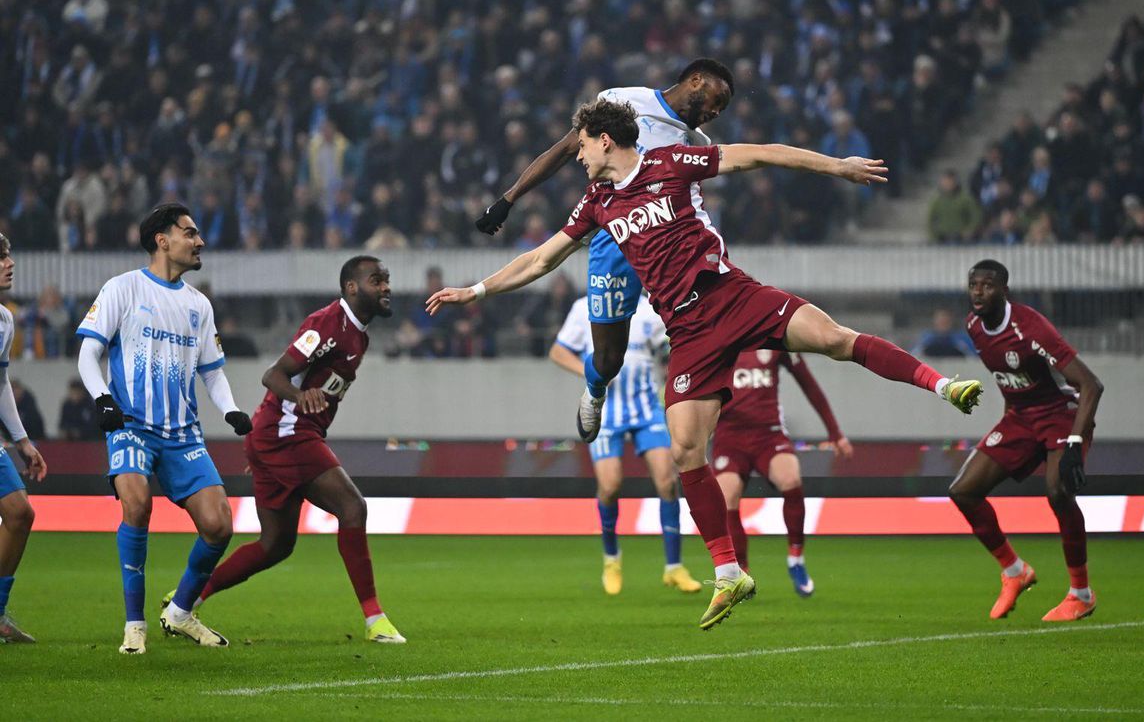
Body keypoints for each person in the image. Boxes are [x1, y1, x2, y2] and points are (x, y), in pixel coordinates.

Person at [429, 99, 982, 629]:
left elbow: (760, 152)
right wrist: (476, 291)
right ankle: (728, 573)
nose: (576, 156)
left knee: (835, 338)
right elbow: (541, 258)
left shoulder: (671, 163)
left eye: (581, 147)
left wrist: (836, 166)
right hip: (688, 333)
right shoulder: (596, 202)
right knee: (686, 451)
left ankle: (942, 386)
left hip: (733, 297)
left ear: (604, 140)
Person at [475, 59, 735, 439]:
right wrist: (509, 199)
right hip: (612, 239)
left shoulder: (697, 144)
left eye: (722, 109)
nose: (715, 112)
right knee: (609, 358)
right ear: (695, 81)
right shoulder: (623, 100)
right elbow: (566, 149)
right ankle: (596, 390)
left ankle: (698, 404)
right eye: (717, 100)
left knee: (704, 316)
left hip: (664, 242)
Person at [192, 256, 406, 644]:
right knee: (353, 508)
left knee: (275, 545)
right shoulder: (327, 323)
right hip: (290, 434)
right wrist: (295, 399)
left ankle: (187, 599)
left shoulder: (359, 334)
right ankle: (375, 620)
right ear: (351, 287)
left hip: (278, 437)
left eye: (387, 280)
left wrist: (260, 445)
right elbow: (273, 375)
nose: (386, 287)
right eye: (377, 280)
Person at [75, 204, 252, 655]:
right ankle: (135, 625)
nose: (200, 241)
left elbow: (211, 371)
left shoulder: (199, 305)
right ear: (162, 239)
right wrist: (104, 401)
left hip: (182, 434)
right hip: (130, 423)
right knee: (136, 503)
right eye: (190, 233)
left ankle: (179, 612)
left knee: (219, 526)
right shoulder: (123, 288)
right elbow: (87, 353)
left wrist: (230, 409)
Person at [950, 259, 1103, 622]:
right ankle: (1015, 571)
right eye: (974, 285)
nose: (978, 292)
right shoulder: (973, 326)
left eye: (987, 285)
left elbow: (1091, 385)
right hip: (1019, 419)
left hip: (1059, 414)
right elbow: (1009, 379)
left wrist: (1075, 444)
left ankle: (1081, 593)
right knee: (963, 491)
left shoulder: (1030, 327)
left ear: (1004, 290)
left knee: (1057, 493)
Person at [549, 292, 701, 596]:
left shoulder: (650, 309)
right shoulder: (584, 308)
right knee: (610, 486)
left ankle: (674, 567)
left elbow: (671, 349)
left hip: (647, 409)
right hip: (607, 411)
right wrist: (592, 373)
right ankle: (611, 560)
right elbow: (558, 351)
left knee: (668, 482)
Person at [713, 348, 851, 597]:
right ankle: (741, 575)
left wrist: (834, 432)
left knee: (791, 479)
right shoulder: (720, 337)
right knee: (727, 497)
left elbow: (809, 384)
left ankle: (795, 558)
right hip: (728, 437)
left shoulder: (773, 337)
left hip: (769, 433)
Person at [0, 232, 49, 643]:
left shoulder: (5, 320)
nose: (9, 263)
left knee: (19, 512)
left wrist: (22, 441)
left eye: (9, 255)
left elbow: (0, 383)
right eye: (0, 258)